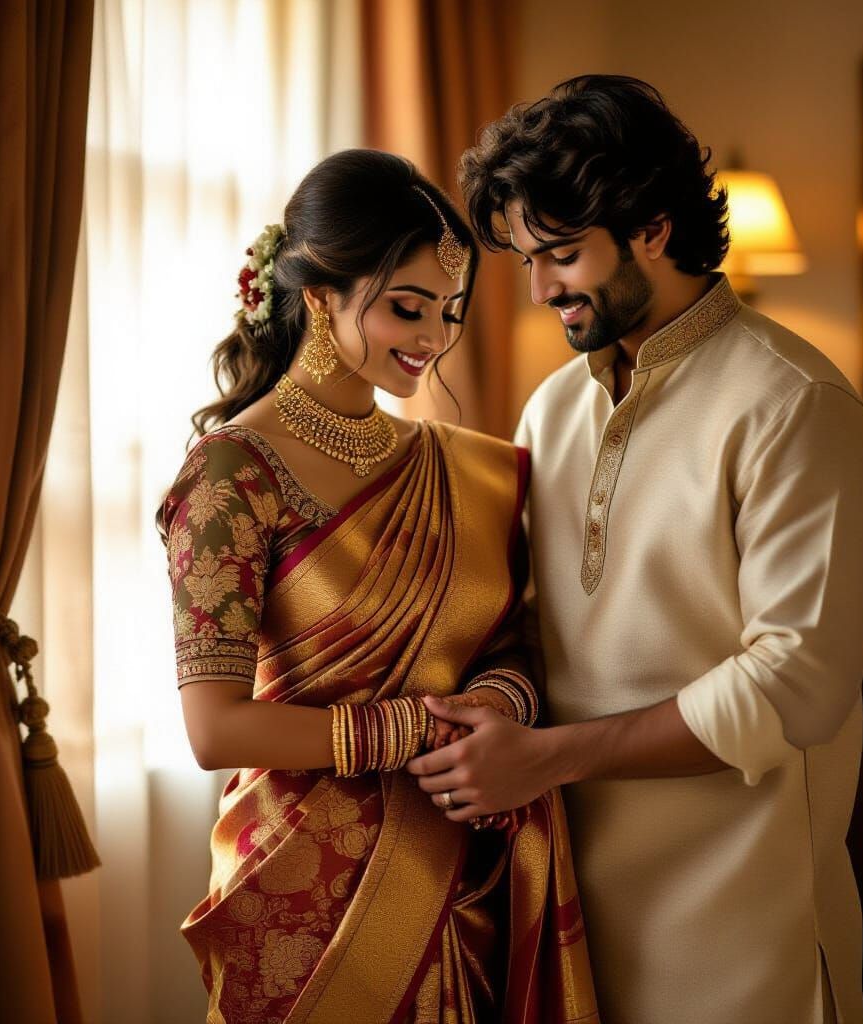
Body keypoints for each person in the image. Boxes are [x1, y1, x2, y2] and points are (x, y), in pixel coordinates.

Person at [408, 75, 863, 1024]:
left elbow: (796, 687)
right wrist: (491, 715)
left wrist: (546, 759)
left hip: (747, 936)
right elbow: (536, 623)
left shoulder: (796, 407)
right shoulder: (552, 409)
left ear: (654, 229)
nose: (541, 289)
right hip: (570, 924)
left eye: (562, 255)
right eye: (528, 259)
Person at [154, 150, 599, 1023]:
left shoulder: (471, 472)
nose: (433, 338)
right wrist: (421, 730)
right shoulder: (232, 476)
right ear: (321, 295)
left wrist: (496, 706)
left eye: (449, 311)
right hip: (303, 893)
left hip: (462, 861)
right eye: (407, 306)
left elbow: (517, 639)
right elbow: (215, 730)